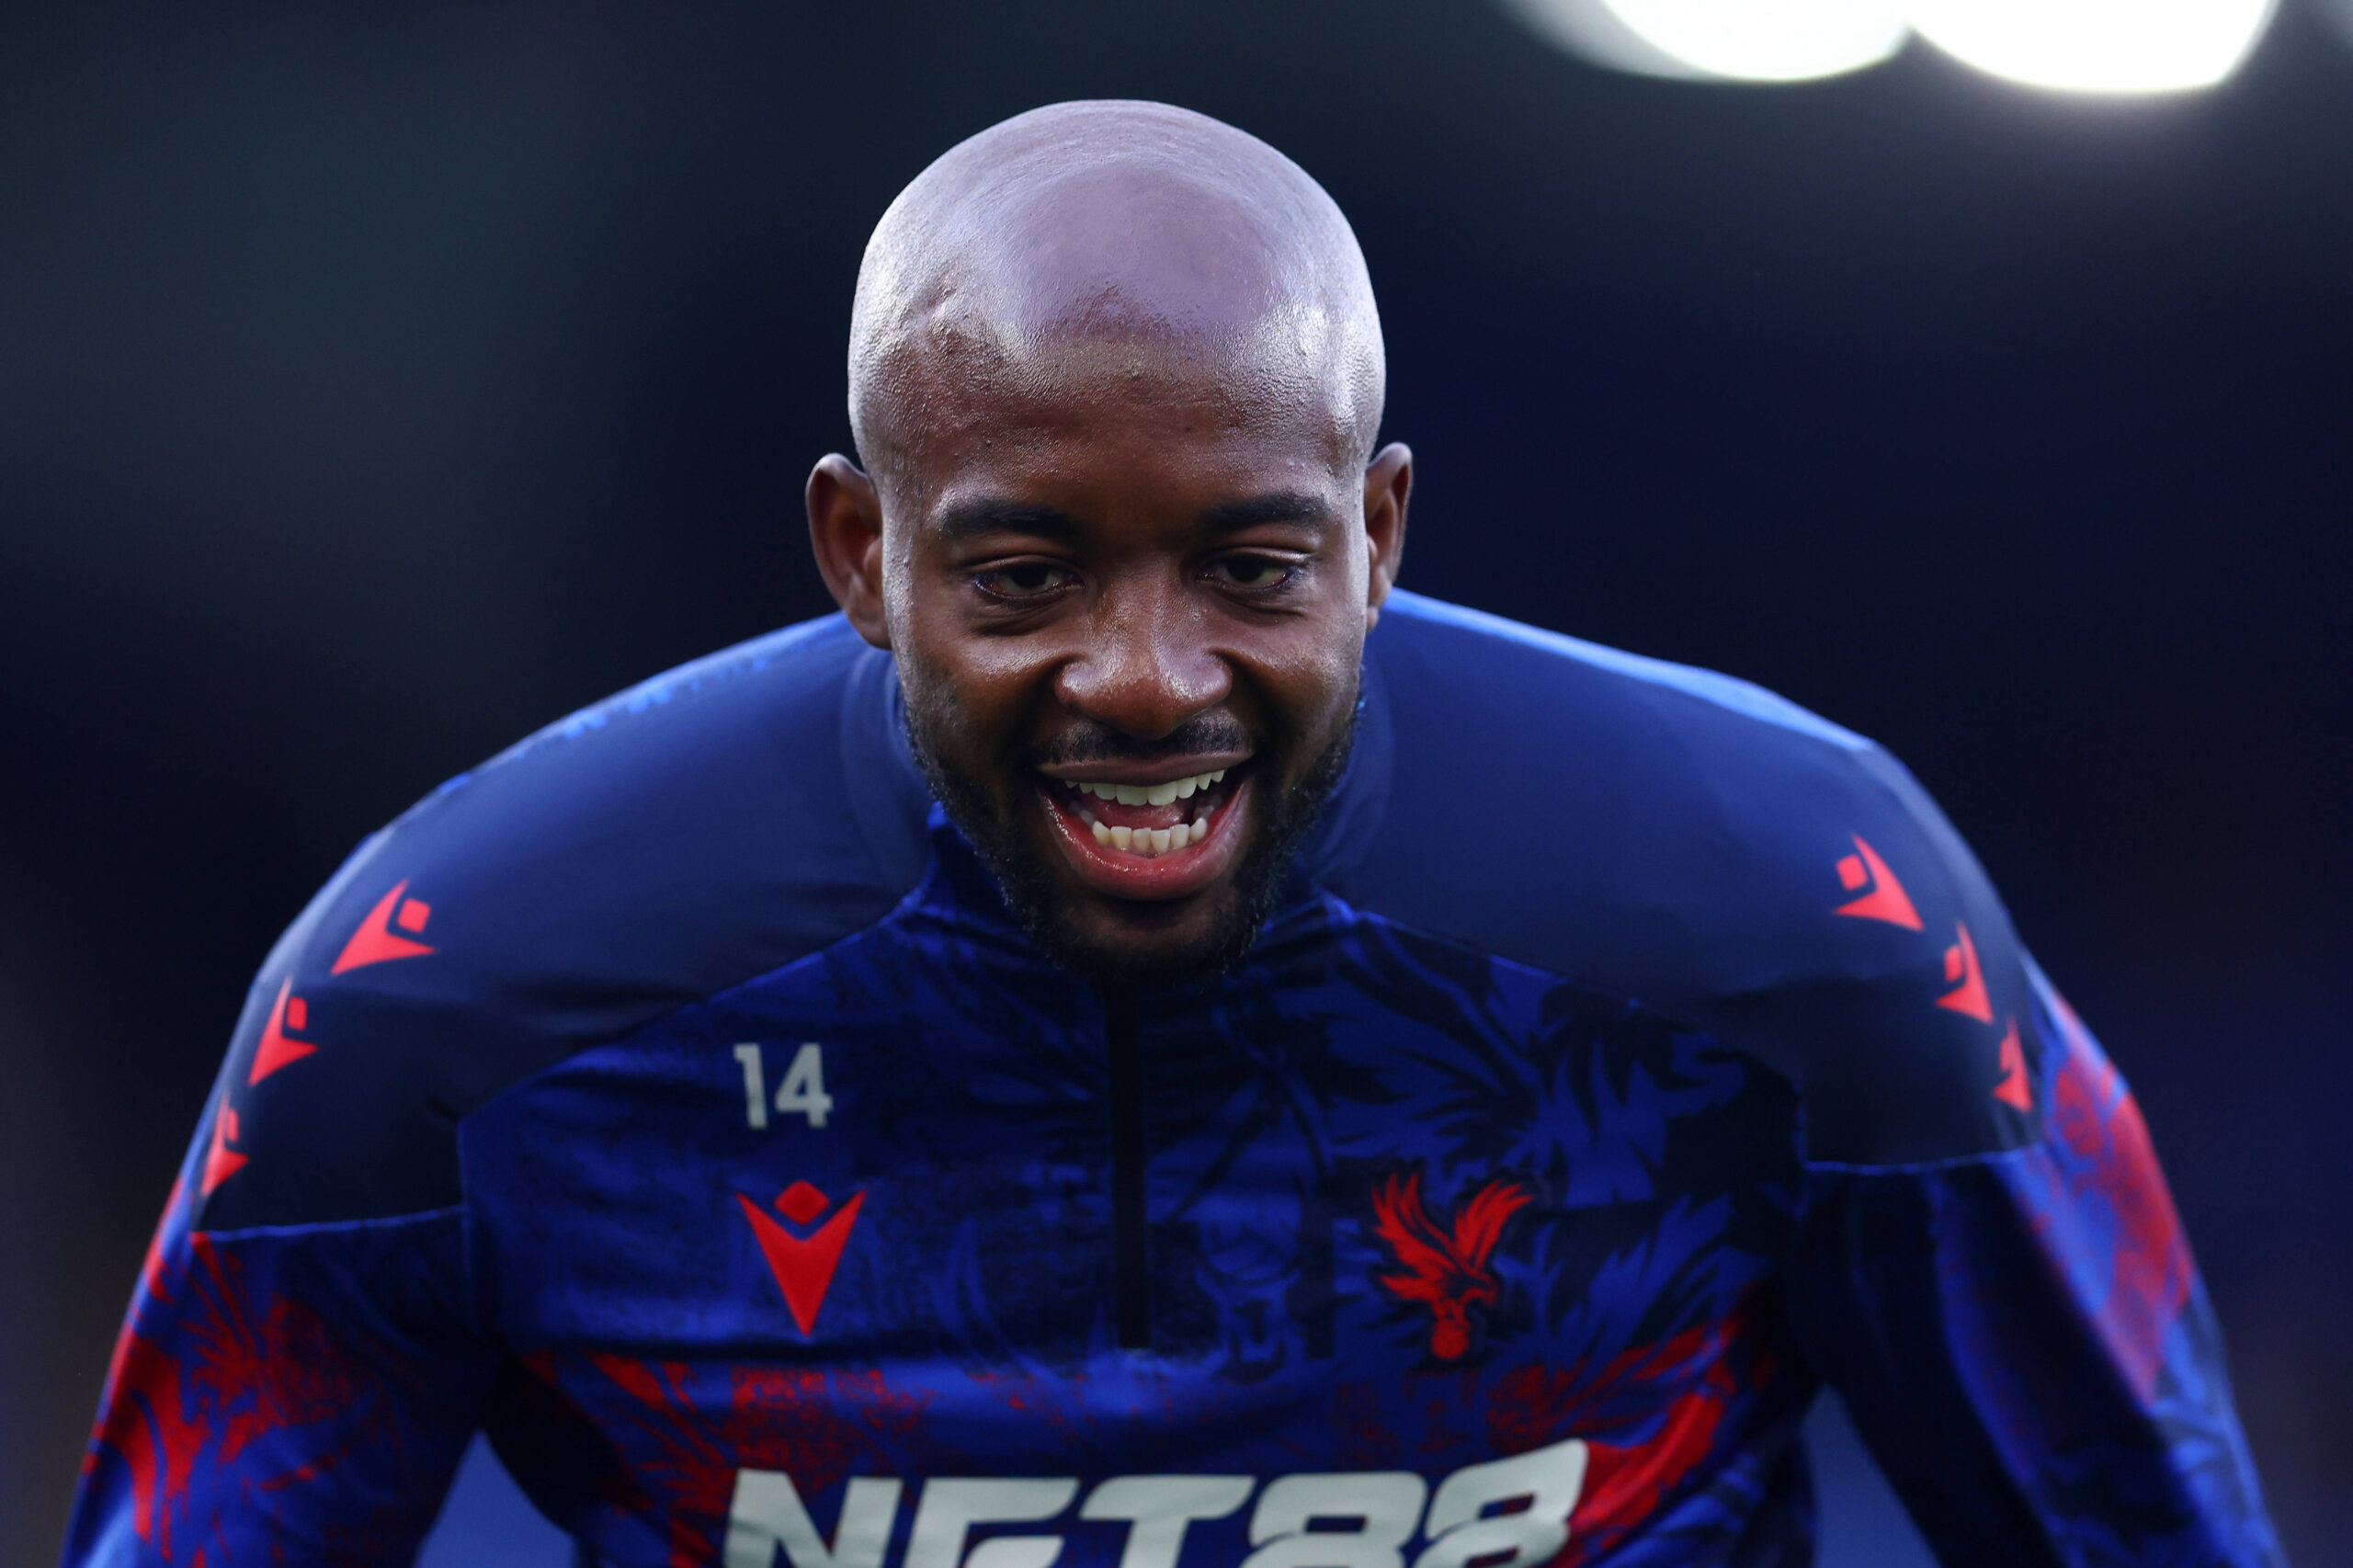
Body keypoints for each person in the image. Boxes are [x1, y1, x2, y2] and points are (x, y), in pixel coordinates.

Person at [64, 100, 2282, 1568]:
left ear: (1382, 528)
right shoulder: (443, 1002)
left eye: (1249, 564)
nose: (1144, 676)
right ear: (856, 549)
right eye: (1023, 575)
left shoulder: (1805, 921)